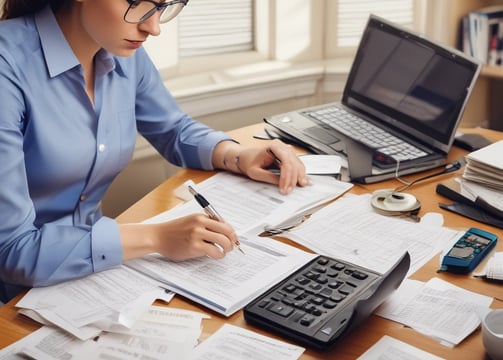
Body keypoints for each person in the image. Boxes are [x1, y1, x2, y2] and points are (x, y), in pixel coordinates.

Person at [0, 0, 310, 304]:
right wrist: (156, 238)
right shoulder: (7, 67)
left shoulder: (121, 49)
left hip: (94, 274)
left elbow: (173, 129)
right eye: (136, 3)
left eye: (162, 6)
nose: (154, 27)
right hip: (14, 296)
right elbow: (12, 249)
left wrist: (238, 156)